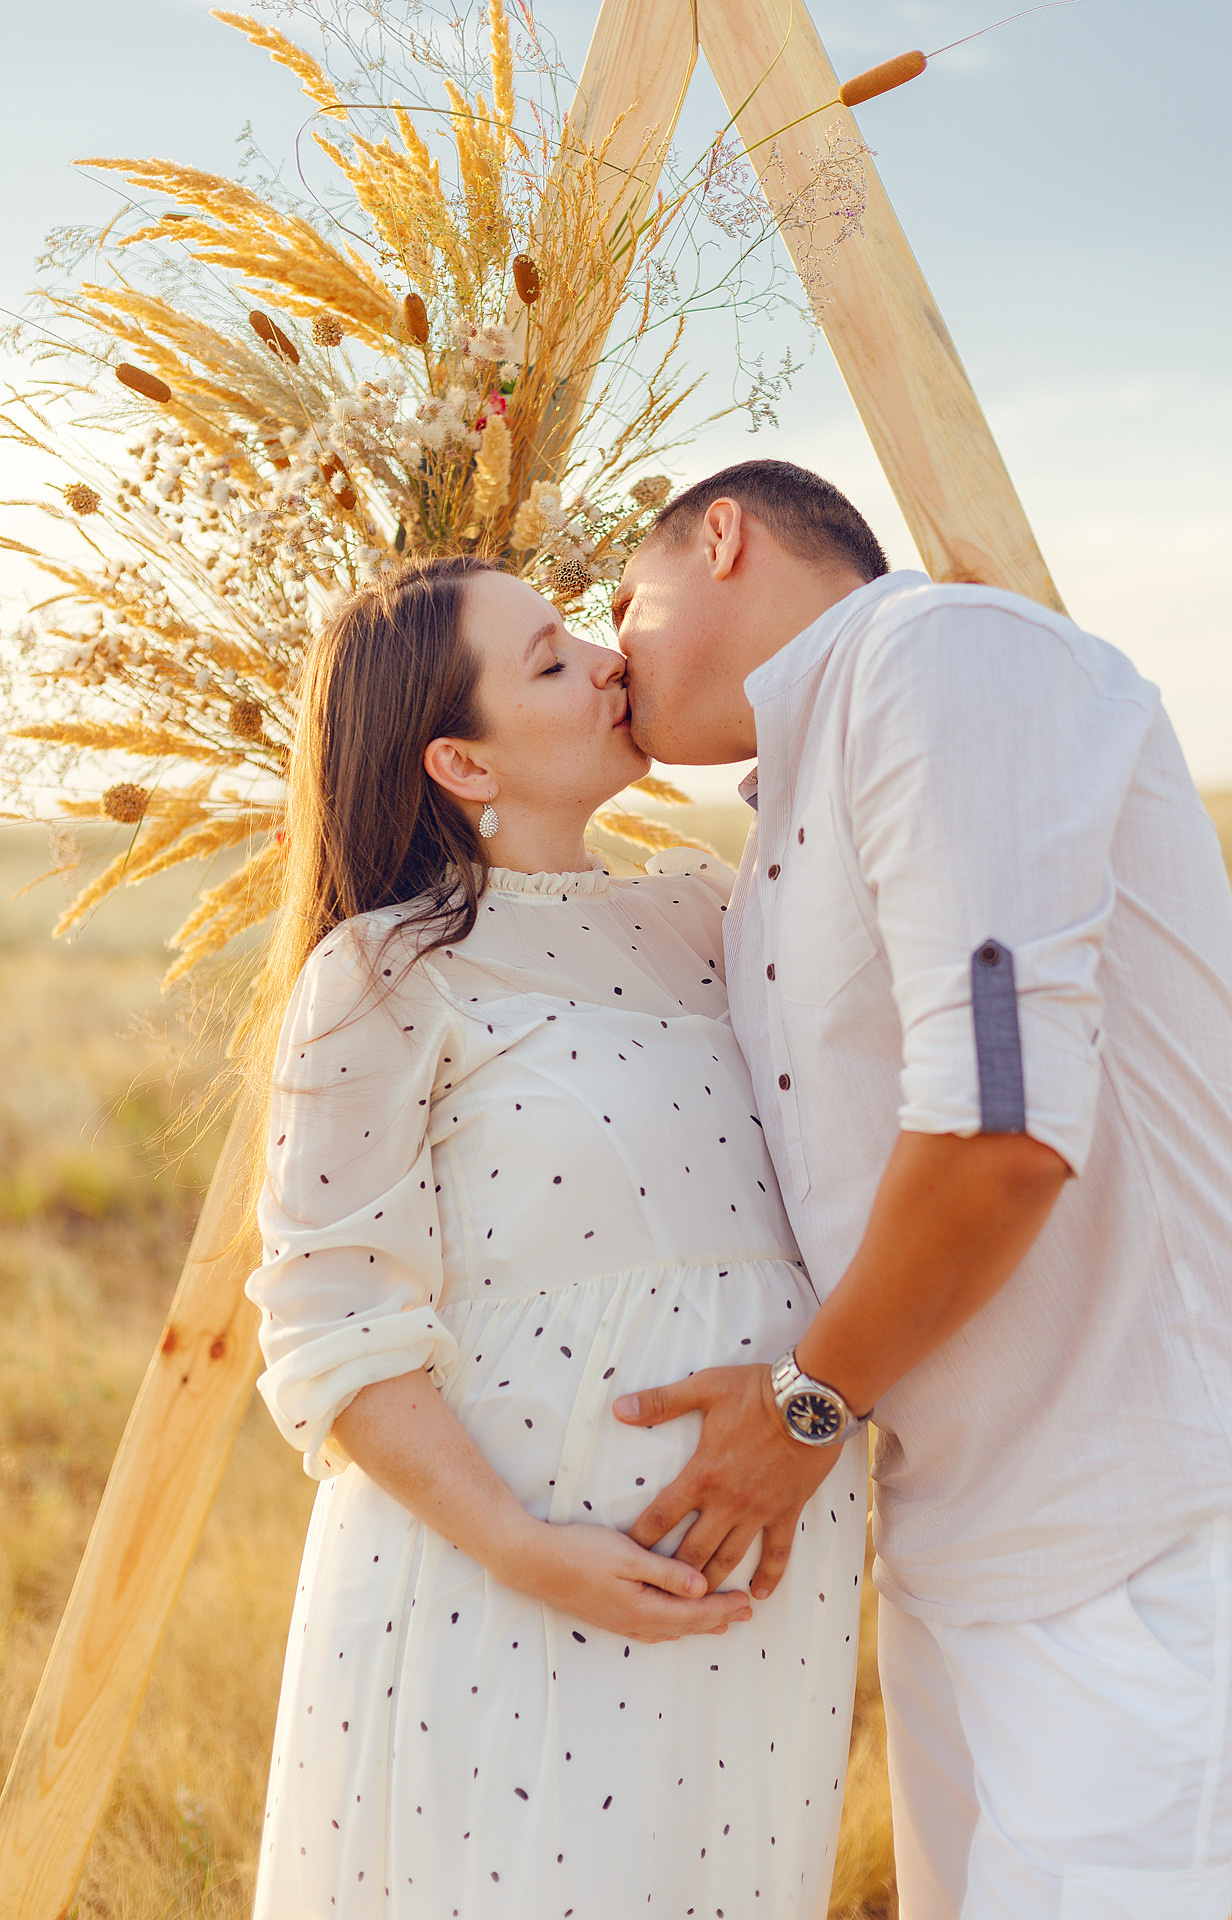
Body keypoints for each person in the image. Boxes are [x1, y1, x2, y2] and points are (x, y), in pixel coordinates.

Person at [610, 459, 1232, 1920]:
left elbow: (1000, 1127)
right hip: (955, 1542)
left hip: (1123, 1529)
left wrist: (799, 1411)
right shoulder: (783, 813)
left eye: (622, 602)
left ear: (721, 537)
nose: (613, 654)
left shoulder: (941, 657)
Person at [243, 553, 867, 1920]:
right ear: (463, 764)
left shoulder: (715, 912)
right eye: (548, 659)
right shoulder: (384, 969)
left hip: (757, 1572)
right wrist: (519, 1550)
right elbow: (331, 1323)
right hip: (506, 1587)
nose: (605, 659)